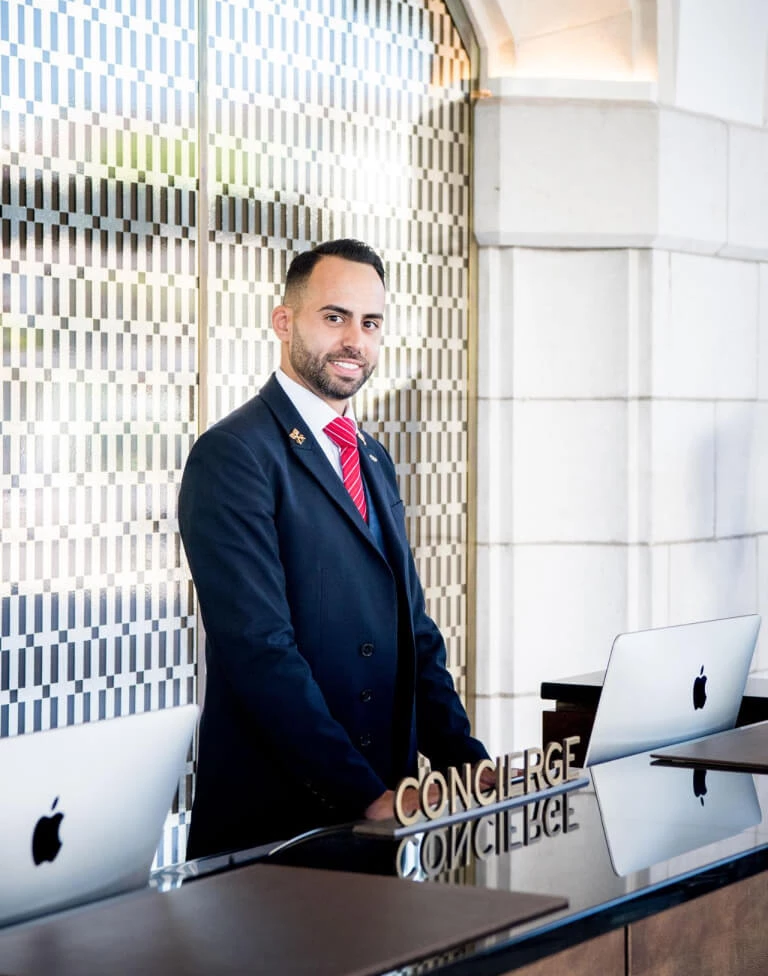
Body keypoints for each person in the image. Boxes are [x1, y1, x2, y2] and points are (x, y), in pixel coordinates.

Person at [178, 238, 489, 859]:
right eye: (334, 317)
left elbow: (412, 631)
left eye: (370, 323)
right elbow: (260, 652)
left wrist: (466, 763)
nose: (355, 339)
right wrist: (361, 791)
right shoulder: (234, 455)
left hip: (383, 822)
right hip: (279, 829)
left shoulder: (372, 457)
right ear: (284, 321)